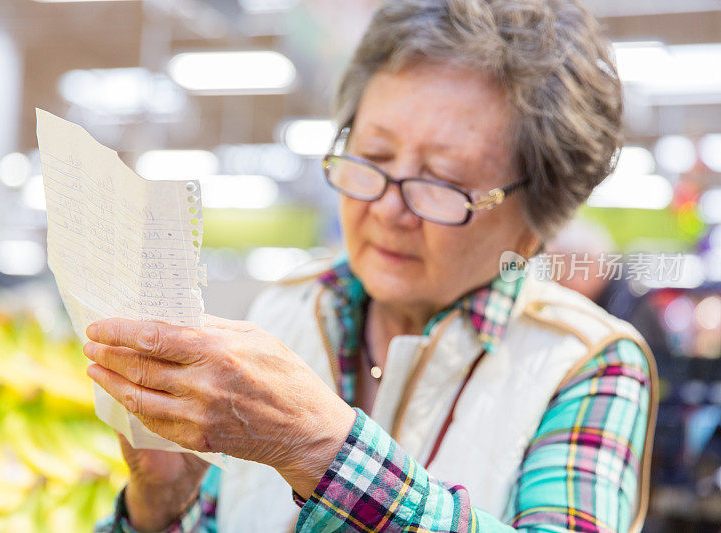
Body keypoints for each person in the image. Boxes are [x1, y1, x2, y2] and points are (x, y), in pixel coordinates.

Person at [87, 0, 657, 531]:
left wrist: (320, 449)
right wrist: (163, 499)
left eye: (442, 184)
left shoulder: (585, 361)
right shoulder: (286, 307)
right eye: (373, 156)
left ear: (537, 219)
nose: (386, 208)